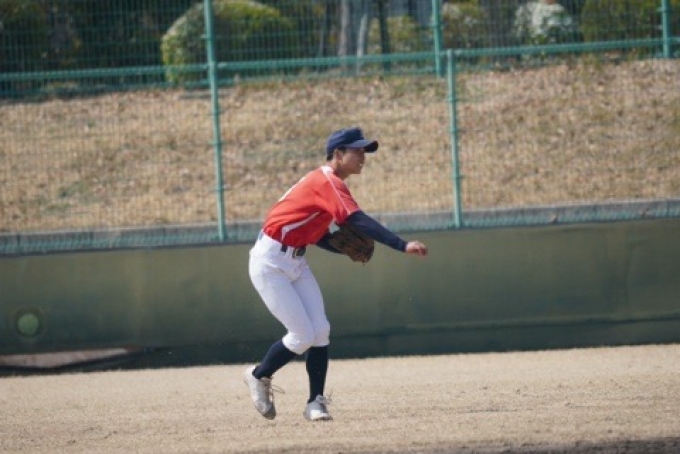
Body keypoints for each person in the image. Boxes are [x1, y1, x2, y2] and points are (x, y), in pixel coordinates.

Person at [244, 127, 428, 422]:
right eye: (357, 150)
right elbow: (357, 219)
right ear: (338, 154)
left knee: (320, 330)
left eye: (364, 151)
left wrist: (344, 249)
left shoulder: (326, 185)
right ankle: (258, 375)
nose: (362, 156)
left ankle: (315, 403)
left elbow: (316, 235)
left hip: (295, 262)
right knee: (302, 335)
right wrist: (401, 244)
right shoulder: (327, 181)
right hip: (269, 264)